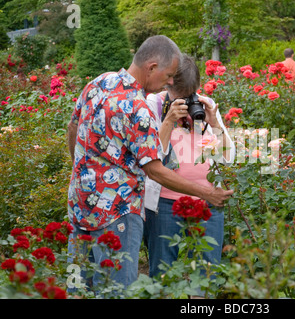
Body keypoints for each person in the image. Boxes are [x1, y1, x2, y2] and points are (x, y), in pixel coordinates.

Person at [66, 36, 233, 291]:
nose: (168, 83)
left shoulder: (98, 83)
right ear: (151, 67)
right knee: (115, 292)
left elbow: (74, 126)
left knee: (79, 288)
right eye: (167, 76)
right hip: (117, 213)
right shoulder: (139, 107)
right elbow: (154, 169)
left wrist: (81, 171)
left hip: (80, 205)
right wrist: (207, 193)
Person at [143, 54, 235, 295]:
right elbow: (152, 157)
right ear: (168, 83)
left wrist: (214, 123)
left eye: (189, 94)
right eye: (179, 96)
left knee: (207, 275)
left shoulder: (205, 104)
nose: (186, 101)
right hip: (164, 202)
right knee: (162, 274)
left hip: (208, 201)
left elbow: (228, 156)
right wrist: (169, 120)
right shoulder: (154, 104)